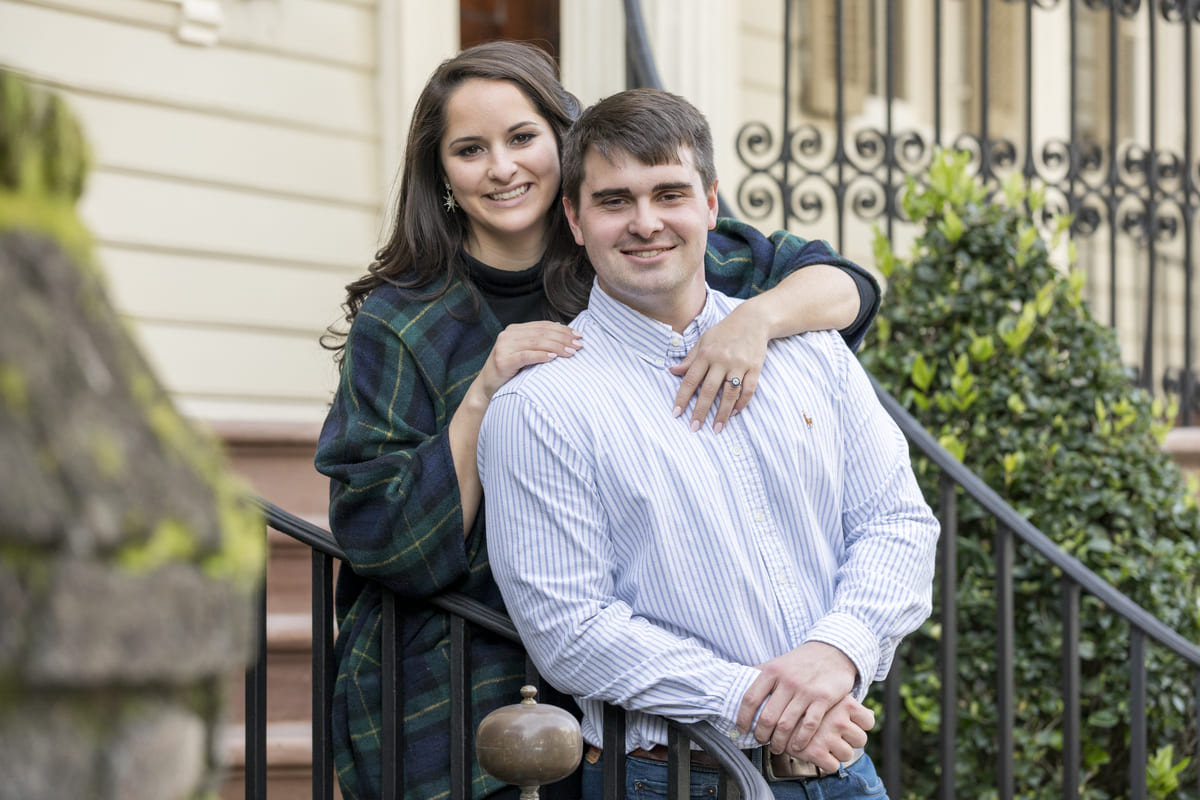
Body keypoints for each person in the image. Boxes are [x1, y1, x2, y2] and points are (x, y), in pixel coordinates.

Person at [315, 41, 880, 800]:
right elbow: (385, 544)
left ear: (562, 140)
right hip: (471, 664)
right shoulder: (405, 320)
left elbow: (846, 288)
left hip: (648, 685)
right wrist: (481, 394)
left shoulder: (630, 247)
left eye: (522, 138)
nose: (503, 167)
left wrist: (757, 320)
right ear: (441, 173)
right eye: (470, 149)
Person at [478, 87, 939, 800]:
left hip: (844, 775)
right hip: (674, 779)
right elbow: (570, 629)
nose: (646, 222)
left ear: (712, 203)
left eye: (670, 193)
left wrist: (836, 651)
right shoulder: (542, 405)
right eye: (614, 201)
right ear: (573, 218)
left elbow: (898, 523)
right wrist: (761, 700)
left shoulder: (813, 353)